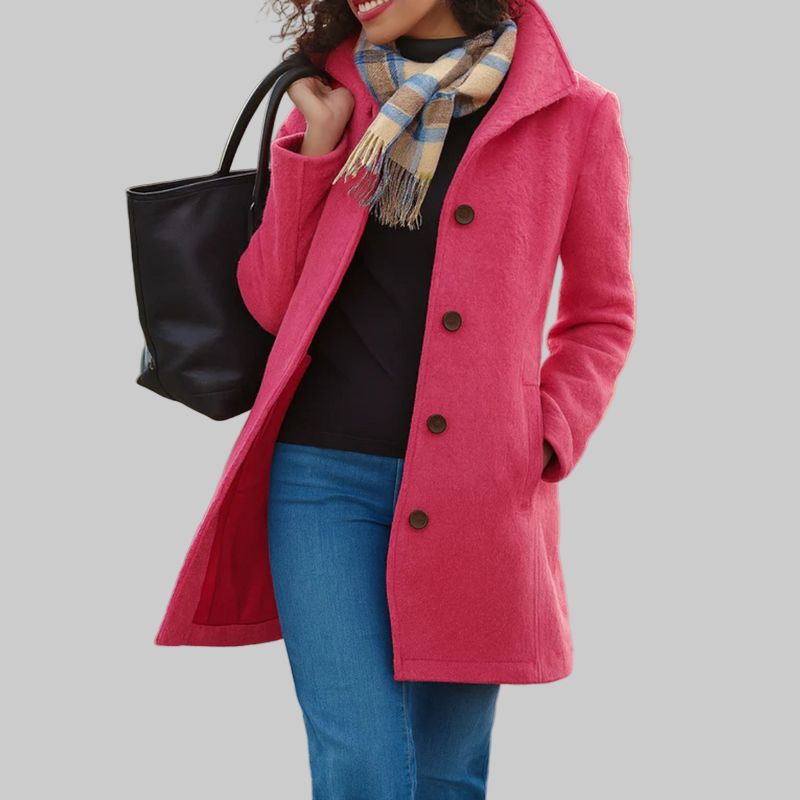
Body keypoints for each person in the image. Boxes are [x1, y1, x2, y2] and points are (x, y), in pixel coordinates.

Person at [156, 1, 635, 798]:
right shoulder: (333, 95)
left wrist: (543, 437)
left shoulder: (574, 114)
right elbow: (270, 303)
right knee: (364, 768)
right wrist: (316, 148)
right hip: (321, 482)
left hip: (479, 494)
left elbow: (602, 316)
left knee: (446, 778)